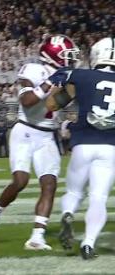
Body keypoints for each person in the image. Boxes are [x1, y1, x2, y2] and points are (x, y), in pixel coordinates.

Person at [0, 34, 80, 250]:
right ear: (52, 56)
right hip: (24, 132)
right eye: (66, 56)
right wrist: (50, 83)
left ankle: (37, 237)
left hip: (46, 135)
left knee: (49, 185)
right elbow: (27, 102)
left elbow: (55, 105)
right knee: (20, 182)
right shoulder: (33, 70)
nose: (70, 60)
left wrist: (67, 90)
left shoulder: (68, 79)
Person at [46, 37, 115, 259]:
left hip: (83, 143)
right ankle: (88, 243)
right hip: (111, 148)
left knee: (75, 192)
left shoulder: (81, 75)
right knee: (98, 197)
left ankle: (68, 213)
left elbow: (52, 105)